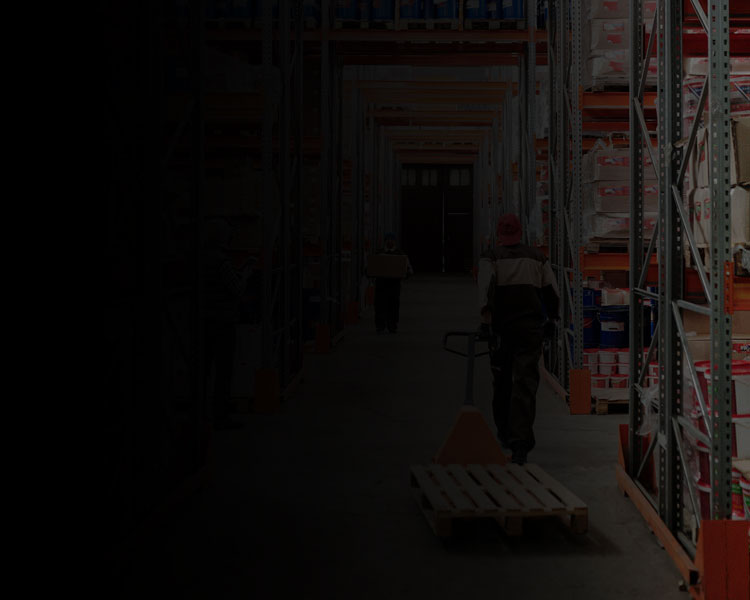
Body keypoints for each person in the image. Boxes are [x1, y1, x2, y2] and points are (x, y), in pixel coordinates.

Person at [478, 214, 560, 465]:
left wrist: (485, 323)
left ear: (499, 234)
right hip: (529, 330)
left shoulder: (490, 258)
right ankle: (520, 443)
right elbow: (552, 293)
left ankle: (504, 433)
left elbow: (484, 291)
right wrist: (552, 320)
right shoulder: (537, 258)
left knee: (501, 382)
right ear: (520, 232)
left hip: (501, 331)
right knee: (524, 385)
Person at [202, 218, 251, 430]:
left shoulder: (202, 258)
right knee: (223, 371)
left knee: (204, 368)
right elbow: (237, 290)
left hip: (205, 320)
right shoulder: (220, 262)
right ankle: (220, 414)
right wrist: (247, 273)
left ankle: (204, 410)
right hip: (223, 321)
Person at [373, 232, 413, 334]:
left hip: (394, 285)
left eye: (391, 239)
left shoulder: (400, 254)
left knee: (393, 305)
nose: (389, 241)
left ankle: (392, 325)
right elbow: (371, 267)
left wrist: (406, 273)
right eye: (388, 239)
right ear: (385, 241)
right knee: (380, 305)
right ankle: (380, 325)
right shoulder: (379, 253)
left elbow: (408, 270)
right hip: (381, 285)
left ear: (395, 241)